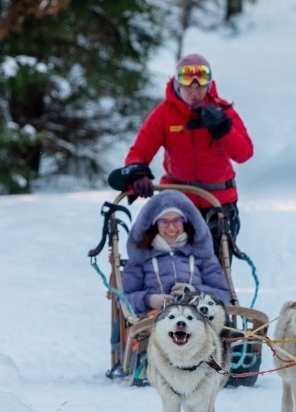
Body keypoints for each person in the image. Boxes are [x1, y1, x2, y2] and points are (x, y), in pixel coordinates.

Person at [108, 53, 254, 246]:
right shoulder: (164, 114)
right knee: (175, 264)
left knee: (216, 267)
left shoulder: (223, 111)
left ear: (209, 85)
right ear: (177, 84)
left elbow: (244, 153)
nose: (195, 91)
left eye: (200, 85)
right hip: (177, 203)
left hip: (218, 203)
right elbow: (139, 152)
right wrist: (137, 174)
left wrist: (224, 129)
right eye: (188, 84)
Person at [106, 190, 232, 379]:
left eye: (177, 221)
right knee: (146, 327)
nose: (171, 228)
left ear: (186, 222)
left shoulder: (202, 255)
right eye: (164, 222)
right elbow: (123, 299)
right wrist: (149, 299)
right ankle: (142, 362)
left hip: (198, 318)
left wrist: (196, 292)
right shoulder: (140, 258)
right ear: (154, 224)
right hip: (154, 318)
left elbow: (224, 294)